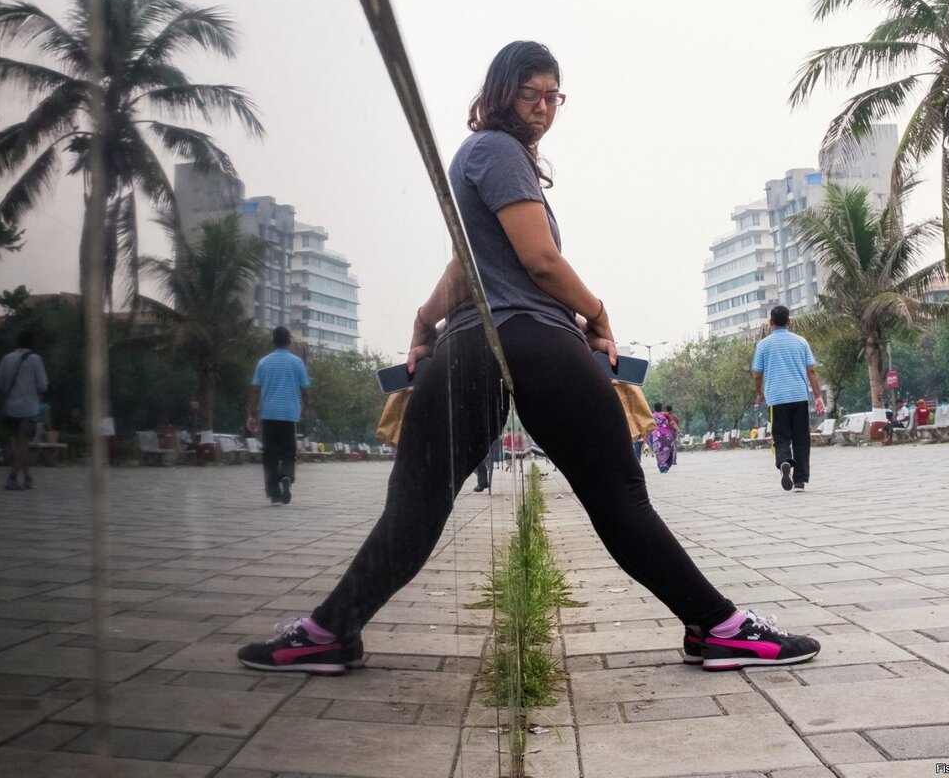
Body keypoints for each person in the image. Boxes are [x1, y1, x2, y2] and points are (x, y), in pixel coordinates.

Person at [236, 41, 819, 676]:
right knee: (619, 496)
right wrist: (597, 314)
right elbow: (539, 262)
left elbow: (469, 264)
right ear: (500, 92)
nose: (542, 108)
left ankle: (327, 633)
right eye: (529, 94)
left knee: (416, 503)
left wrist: (424, 320)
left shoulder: (482, 157)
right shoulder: (498, 151)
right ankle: (719, 628)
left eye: (552, 96)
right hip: (533, 340)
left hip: (472, 345)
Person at [752, 305, 825, 492]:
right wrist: (817, 395)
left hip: (776, 399)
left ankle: (784, 461)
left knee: (780, 437)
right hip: (799, 396)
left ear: (770, 323)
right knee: (801, 438)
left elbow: (757, 374)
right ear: (789, 322)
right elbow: (811, 370)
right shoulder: (801, 342)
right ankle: (800, 481)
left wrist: (759, 392)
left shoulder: (763, 345)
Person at [247, 326, 310, 505]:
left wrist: (252, 414)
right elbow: (305, 390)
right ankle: (287, 476)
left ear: (273, 341)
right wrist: (306, 408)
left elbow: (256, 391)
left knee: (270, 454)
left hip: (269, 414)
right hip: (289, 414)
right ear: (289, 341)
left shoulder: (263, 363)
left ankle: (274, 492)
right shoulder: (297, 363)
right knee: (289, 451)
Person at [0, 331, 48, 490]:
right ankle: (12, 477)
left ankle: (27, 477)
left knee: (15, 444)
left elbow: (0, 383)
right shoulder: (35, 359)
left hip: (10, 408)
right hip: (28, 408)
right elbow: (43, 385)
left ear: (17, 342)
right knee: (24, 444)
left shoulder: (6, 358)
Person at [650, 403, 677, 473]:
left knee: (658, 451)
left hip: (656, 435)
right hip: (666, 434)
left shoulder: (651, 416)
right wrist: (679, 431)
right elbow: (673, 423)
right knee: (670, 449)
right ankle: (667, 465)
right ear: (661, 408)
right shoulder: (666, 414)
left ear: (654, 408)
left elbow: (648, 426)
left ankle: (662, 466)